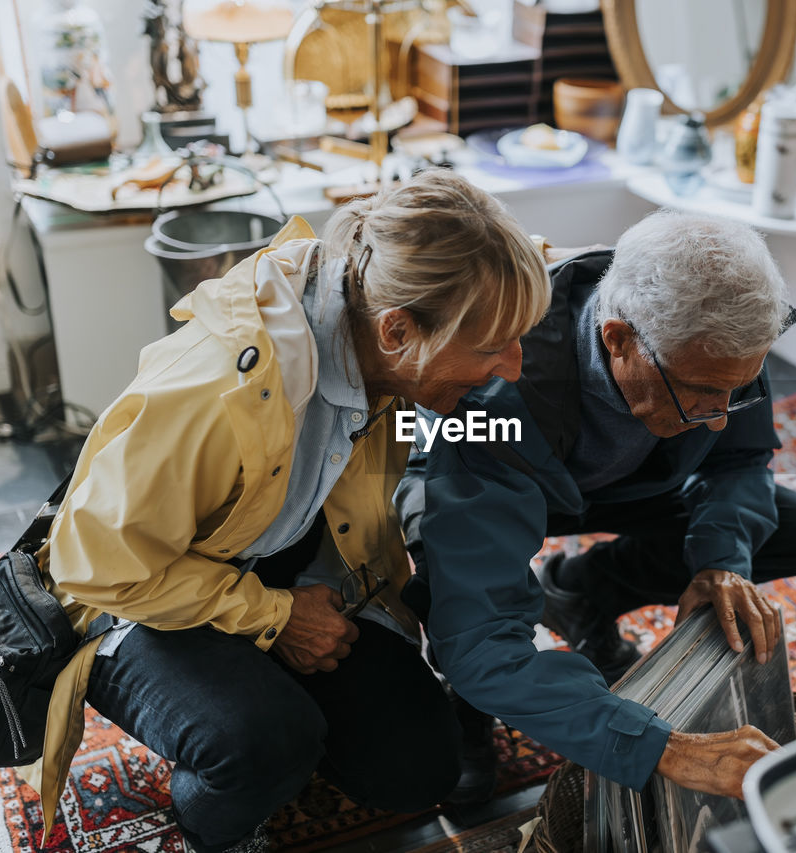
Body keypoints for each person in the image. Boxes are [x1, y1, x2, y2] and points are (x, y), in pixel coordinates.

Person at [27, 170, 551, 853]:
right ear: (398, 330)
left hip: (276, 570)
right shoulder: (215, 387)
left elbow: (457, 441)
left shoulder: (385, 335)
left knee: (420, 769)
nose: (511, 365)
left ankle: (264, 713)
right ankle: (217, 813)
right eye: (491, 348)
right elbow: (92, 567)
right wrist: (276, 618)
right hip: (132, 598)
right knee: (263, 744)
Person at [397, 211, 796, 805]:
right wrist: (661, 747)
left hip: (621, 485)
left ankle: (583, 590)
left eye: (738, 389)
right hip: (493, 472)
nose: (722, 413)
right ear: (618, 339)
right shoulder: (489, 392)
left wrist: (721, 562)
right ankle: (465, 709)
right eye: (704, 392)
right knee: (463, 612)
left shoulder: (713, 345)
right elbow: (483, 633)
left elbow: (740, 460)